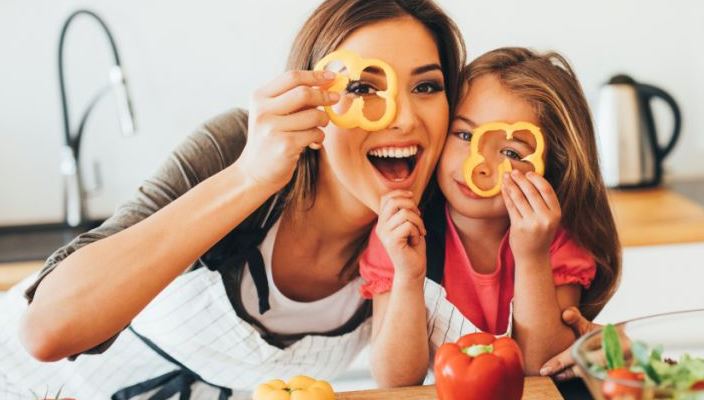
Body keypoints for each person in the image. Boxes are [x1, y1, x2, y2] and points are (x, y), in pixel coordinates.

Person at [0, 0, 464, 398]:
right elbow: (46, 331)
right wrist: (250, 177)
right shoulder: (237, 150)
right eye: (363, 87)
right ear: (314, 98)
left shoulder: (417, 237)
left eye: (426, 86)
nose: (402, 117)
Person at [359, 48, 622, 386]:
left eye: (511, 152)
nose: (478, 165)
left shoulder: (556, 239)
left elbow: (542, 368)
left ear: (552, 168)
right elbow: (395, 380)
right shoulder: (400, 231)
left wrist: (532, 256)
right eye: (465, 136)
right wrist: (409, 276)